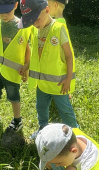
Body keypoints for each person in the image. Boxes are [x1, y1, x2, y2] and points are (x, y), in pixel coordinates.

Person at [19, 0, 78, 139]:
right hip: (41, 84)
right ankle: (43, 130)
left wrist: (68, 78)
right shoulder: (35, 30)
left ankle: (76, 135)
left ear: (46, 10)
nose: (34, 23)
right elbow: (36, 54)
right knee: (41, 108)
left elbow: (69, 55)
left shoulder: (58, 28)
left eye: (36, 19)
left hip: (59, 84)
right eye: (31, 21)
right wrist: (26, 66)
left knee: (65, 111)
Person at [0, 0, 31, 132]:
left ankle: (17, 120)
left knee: (14, 96)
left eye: (7, 11)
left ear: (16, 5)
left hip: (13, 72)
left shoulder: (23, 26)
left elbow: (26, 48)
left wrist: (26, 67)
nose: (3, 15)